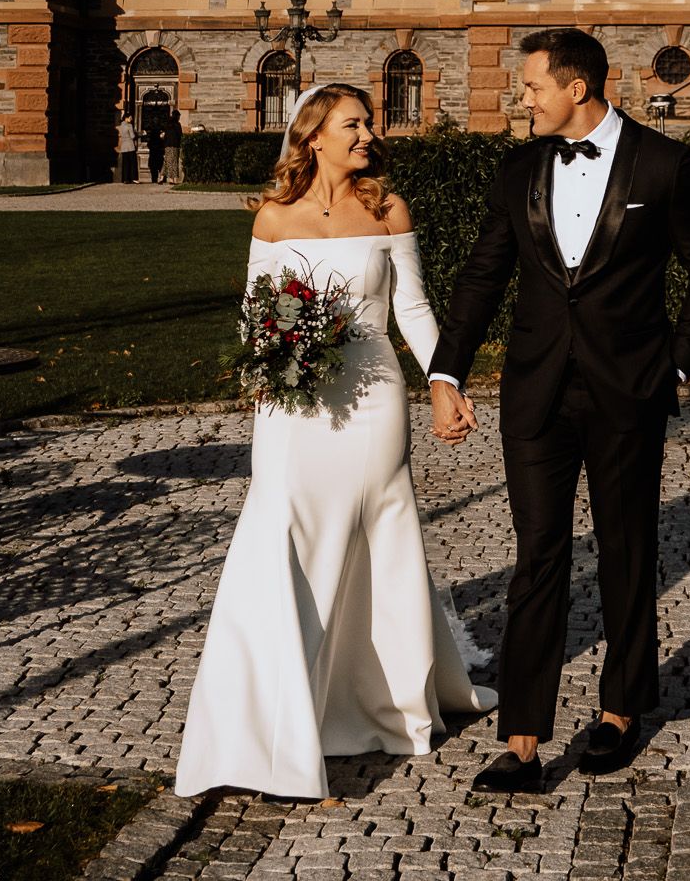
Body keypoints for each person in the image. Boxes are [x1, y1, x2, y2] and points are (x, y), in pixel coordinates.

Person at [427, 27, 690, 790]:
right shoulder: (518, 167)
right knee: (538, 558)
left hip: (627, 388)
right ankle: (524, 736)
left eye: (531, 86)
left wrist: (677, 363)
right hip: (535, 392)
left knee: (626, 545)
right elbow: (479, 280)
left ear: (577, 88)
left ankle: (621, 708)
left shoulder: (664, 164)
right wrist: (444, 372)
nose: (521, 97)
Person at [175, 84, 494, 798]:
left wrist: (444, 382)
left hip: (375, 394)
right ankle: (269, 718)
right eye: (354, 123)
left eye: (369, 124)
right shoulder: (273, 215)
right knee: (283, 533)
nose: (368, 134)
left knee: (375, 532)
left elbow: (411, 305)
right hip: (293, 405)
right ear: (312, 135)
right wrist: (263, 367)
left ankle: (382, 701)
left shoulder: (387, 209)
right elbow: (253, 316)